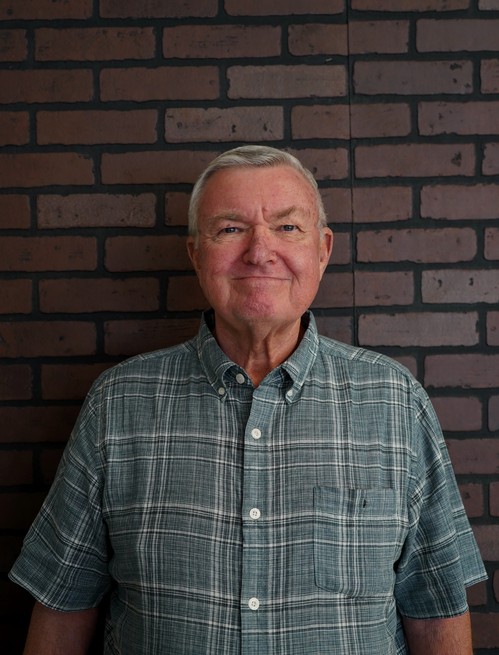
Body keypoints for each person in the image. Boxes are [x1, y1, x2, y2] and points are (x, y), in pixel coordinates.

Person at [10, 145, 486, 654]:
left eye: (287, 227)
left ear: (322, 250)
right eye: (231, 228)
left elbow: (436, 609)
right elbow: (63, 604)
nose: (260, 252)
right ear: (196, 254)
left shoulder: (395, 402)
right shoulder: (118, 404)